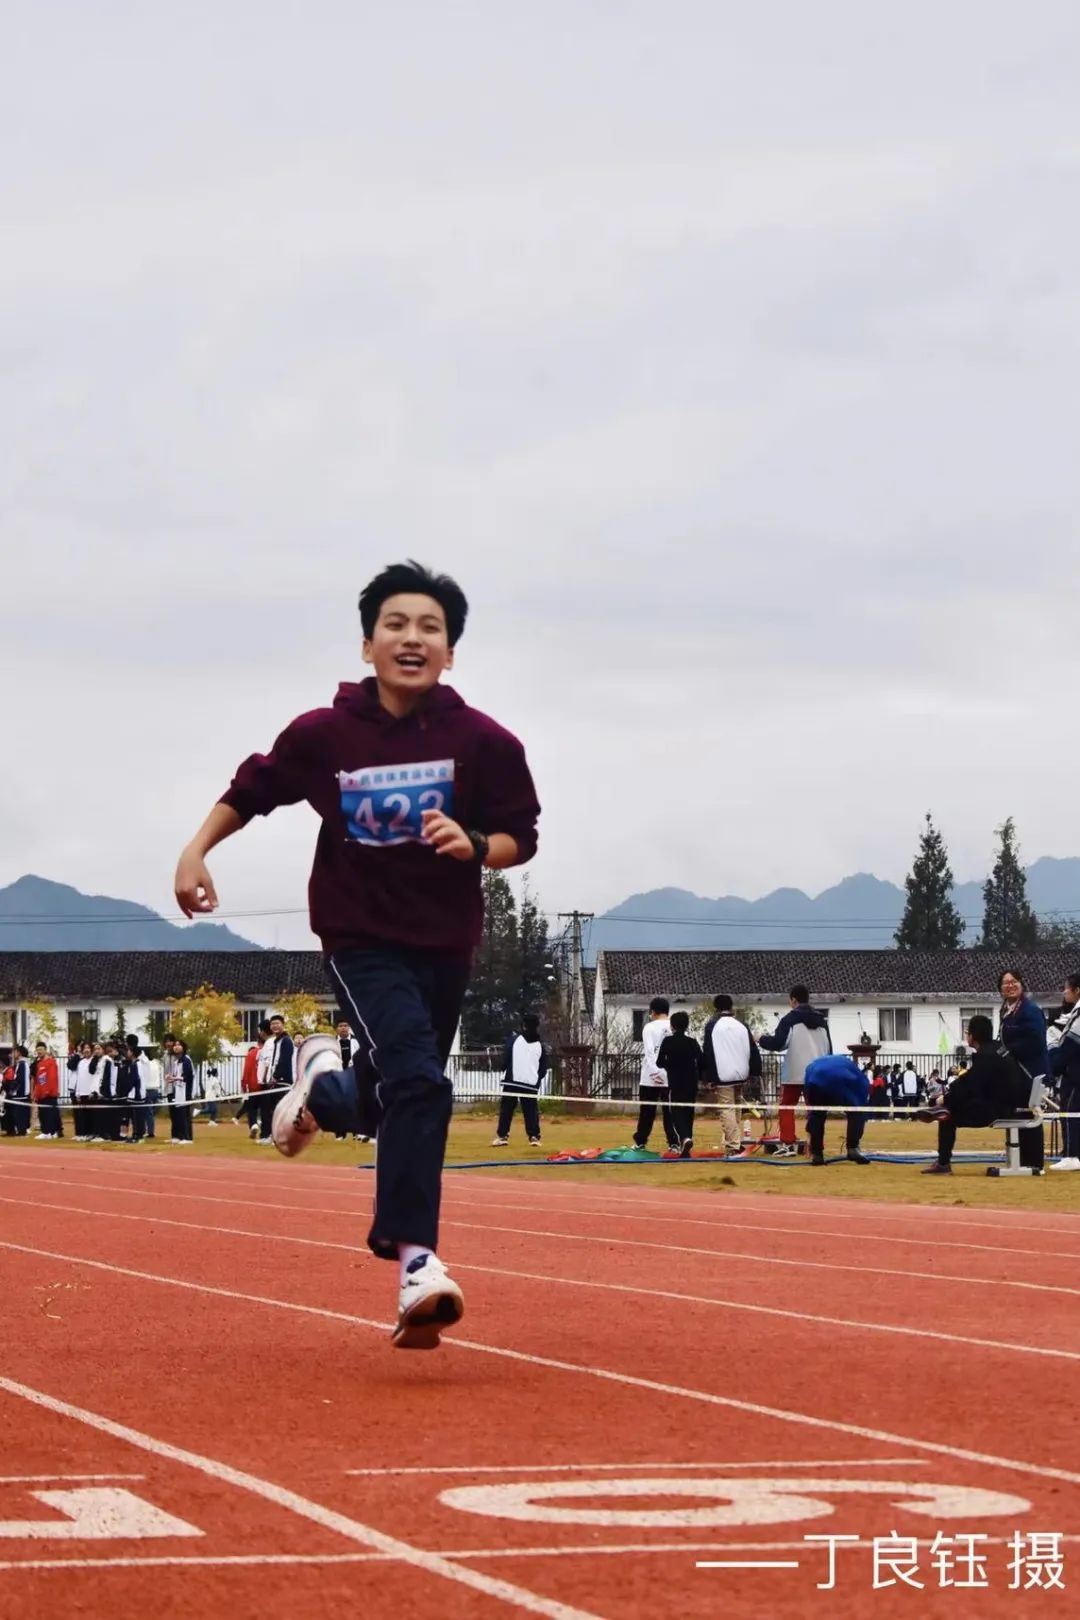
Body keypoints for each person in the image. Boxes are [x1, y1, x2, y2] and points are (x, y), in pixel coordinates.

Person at [173, 559, 540, 1350]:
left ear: (451, 652)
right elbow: (252, 788)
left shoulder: (484, 742)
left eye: (431, 628)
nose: (413, 638)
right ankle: (417, 1266)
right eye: (397, 625)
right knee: (419, 1081)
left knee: (384, 1100)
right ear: (369, 643)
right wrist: (196, 851)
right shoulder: (324, 735)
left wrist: (475, 842)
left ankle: (317, 1089)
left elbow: (522, 839)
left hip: (444, 944)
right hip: (359, 938)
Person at [920, 1015, 1031, 1175]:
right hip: (1010, 1103)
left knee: (946, 1115)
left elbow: (971, 1084)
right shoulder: (998, 1048)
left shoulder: (985, 1055)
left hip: (999, 1109)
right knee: (950, 1106)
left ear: (972, 1036)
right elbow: (972, 1079)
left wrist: (946, 1097)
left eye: (967, 1032)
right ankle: (937, 1110)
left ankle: (943, 1163)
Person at [758, 987, 832, 1157]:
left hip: (795, 1072)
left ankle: (787, 1142)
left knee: (786, 1107)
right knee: (814, 1110)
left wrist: (760, 1039)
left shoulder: (789, 1019)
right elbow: (829, 1048)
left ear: (793, 1000)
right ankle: (815, 1145)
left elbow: (778, 1043)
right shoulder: (822, 1020)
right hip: (818, 1072)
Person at [997, 967, 1048, 1171]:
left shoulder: (1030, 1010)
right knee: (1017, 1114)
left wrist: (1008, 1051)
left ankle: (1034, 1162)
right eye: (1006, 983)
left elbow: (1036, 1040)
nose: (1010, 986)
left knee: (1029, 1114)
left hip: (1029, 1072)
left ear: (1021, 984)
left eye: (1014, 981)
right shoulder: (1007, 1010)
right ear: (1000, 989)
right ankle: (1020, 1158)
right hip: (1014, 1073)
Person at [702, 994, 761, 1156]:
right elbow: (752, 1048)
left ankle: (734, 1145)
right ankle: (733, 1142)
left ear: (716, 1008)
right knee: (736, 1106)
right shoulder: (742, 1025)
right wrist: (754, 1071)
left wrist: (708, 1076)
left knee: (726, 1108)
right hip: (741, 1072)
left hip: (723, 1074)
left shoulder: (712, 1026)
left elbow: (708, 1052)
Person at [803, 1054, 871, 1166]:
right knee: (856, 1112)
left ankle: (817, 1154)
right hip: (843, 1080)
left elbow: (808, 1097)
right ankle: (853, 1148)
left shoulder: (814, 1065)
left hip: (815, 1079)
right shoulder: (856, 1073)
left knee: (817, 1114)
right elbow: (862, 1099)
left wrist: (810, 1126)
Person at [492, 1013, 549, 1147]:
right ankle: (534, 1136)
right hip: (530, 1084)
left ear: (523, 1025)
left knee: (507, 1109)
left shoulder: (514, 1040)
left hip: (512, 1081)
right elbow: (543, 1068)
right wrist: (536, 1079)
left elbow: (505, 1059)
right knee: (531, 1110)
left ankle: (503, 1136)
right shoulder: (540, 1046)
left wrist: (502, 1067)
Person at [631, 997, 677, 1152]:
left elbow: (650, 1052)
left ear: (653, 1012)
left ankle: (640, 1142)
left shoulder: (649, 1027)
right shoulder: (675, 1026)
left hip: (649, 1077)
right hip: (670, 1076)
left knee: (647, 1112)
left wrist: (654, 1072)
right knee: (670, 1112)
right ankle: (674, 1143)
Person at [657, 1011, 703, 1157]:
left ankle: (684, 1138)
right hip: (691, 1082)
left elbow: (659, 1062)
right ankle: (687, 1140)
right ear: (686, 1025)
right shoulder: (692, 1042)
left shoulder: (667, 1041)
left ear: (672, 1026)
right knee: (689, 1112)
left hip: (675, 1082)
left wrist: (669, 1065)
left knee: (676, 1113)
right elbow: (702, 1061)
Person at [1047, 972, 1080, 1171]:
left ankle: (1071, 1154)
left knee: (1069, 1111)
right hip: (1072, 1069)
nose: (1064, 992)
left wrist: (1054, 1060)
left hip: (1075, 1072)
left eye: (1066, 988)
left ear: (1077, 990)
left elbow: (1071, 1046)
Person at [257, 1015, 294, 1144]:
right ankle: (273, 1136)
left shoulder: (286, 1041)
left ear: (283, 1024)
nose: (274, 1026)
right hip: (275, 1081)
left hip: (283, 1080)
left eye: (277, 1023)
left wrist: (276, 1076)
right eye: (272, 1024)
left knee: (281, 1111)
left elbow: (284, 1061)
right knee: (273, 1110)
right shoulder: (276, 1041)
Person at [32, 1042, 62, 1139]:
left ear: (45, 1050)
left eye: (41, 1049)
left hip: (49, 1094)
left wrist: (48, 1091)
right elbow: (37, 1080)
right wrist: (36, 1093)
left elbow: (52, 1077)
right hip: (41, 1094)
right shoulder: (39, 1064)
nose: (39, 1052)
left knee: (50, 1114)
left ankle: (51, 1132)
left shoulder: (51, 1062)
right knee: (43, 1113)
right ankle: (45, 1131)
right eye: (37, 1050)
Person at [171, 1038, 196, 1143]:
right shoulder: (177, 1061)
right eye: (175, 1045)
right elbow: (178, 1076)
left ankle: (187, 1137)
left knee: (185, 1114)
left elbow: (187, 1076)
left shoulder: (186, 1060)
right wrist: (171, 1078)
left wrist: (176, 1078)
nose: (176, 1047)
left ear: (183, 1047)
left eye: (179, 1045)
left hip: (186, 1091)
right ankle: (180, 1136)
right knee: (179, 1114)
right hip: (179, 1091)